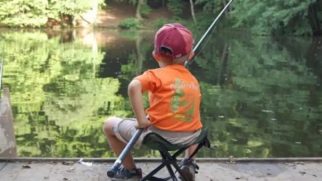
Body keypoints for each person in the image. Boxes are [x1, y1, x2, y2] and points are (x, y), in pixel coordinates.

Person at [103, 23, 203, 181]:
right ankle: (188, 162)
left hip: (160, 137)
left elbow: (134, 86)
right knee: (190, 117)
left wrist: (142, 120)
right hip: (192, 137)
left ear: (155, 54)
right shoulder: (192, 79)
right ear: (191, 55)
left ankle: (131, 172)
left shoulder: (155, 75)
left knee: (109, 125)